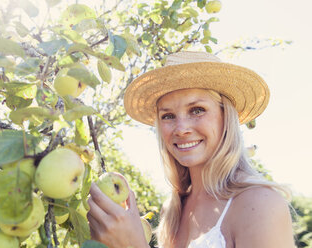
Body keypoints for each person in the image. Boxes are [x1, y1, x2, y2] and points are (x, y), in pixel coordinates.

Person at [87, 51, 295, 248]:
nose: (181, 129)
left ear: (226, 118)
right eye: (167, 116)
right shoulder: (172, 209)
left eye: (197, 110)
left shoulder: (261, 204)